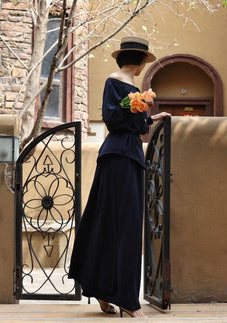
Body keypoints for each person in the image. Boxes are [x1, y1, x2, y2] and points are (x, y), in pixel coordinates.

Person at [69, 36, 170, 318]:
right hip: (119, 157)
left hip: (127, 156)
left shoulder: (133, 89)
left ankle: (104, 290)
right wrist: (135, 105)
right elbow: (113, 120)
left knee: (117, 224)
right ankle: (126, 299)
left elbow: (135, 125)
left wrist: (151, 116)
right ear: (140, 64)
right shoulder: (116, 82)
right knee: (122, 227)